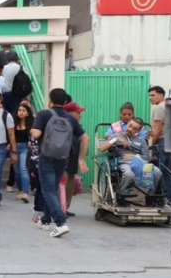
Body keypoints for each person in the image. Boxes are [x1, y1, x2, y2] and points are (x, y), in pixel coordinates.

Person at [31, 88, 90, 238]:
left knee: (48, 191)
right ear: (65, 102)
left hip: (46, 157)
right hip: (63, 158)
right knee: (52, 189)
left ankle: (60, 223)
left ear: (49, 100)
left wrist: (33, 131)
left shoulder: (43, 114)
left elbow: (36, 134)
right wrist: (81, 158)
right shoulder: (70, 118)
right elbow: (85, 138)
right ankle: (45, 220)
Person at [100, 117, 161, 196]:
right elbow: (102, 148)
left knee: (157, 172)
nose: (130, 129)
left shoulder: (141, 140)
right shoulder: (116, 135)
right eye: (130, 125)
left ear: (138, 131)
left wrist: (134, 156)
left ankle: (150, 195)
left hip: (140, 163)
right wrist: (116, 139)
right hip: (124, 163)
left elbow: (147, 157)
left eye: (134, 129)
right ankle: (120, 192)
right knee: (129, 175)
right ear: (127, 123)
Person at [148, 86, 171, 205]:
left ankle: (153, 198)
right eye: (149, 95)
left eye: (153, 95)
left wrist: (150, 144)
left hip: (160, 142)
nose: (150, 98)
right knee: (167, 172)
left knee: (156, 171)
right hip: (168, 142)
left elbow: (157, 129)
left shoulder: (159, 108)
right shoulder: (168, 106)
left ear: (161, 95)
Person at [12, 103, 34, 203]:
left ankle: (25, 192)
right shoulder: (13, 124)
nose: (21, 112)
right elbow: (10, 136)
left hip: (25, 148)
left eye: (24, 111)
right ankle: (20, 190)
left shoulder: (31, 124)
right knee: (17, 172)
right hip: (15, 148)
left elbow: (34, 136)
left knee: (23, 169)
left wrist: (31, 141)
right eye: (19, 110)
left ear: (28, 113)